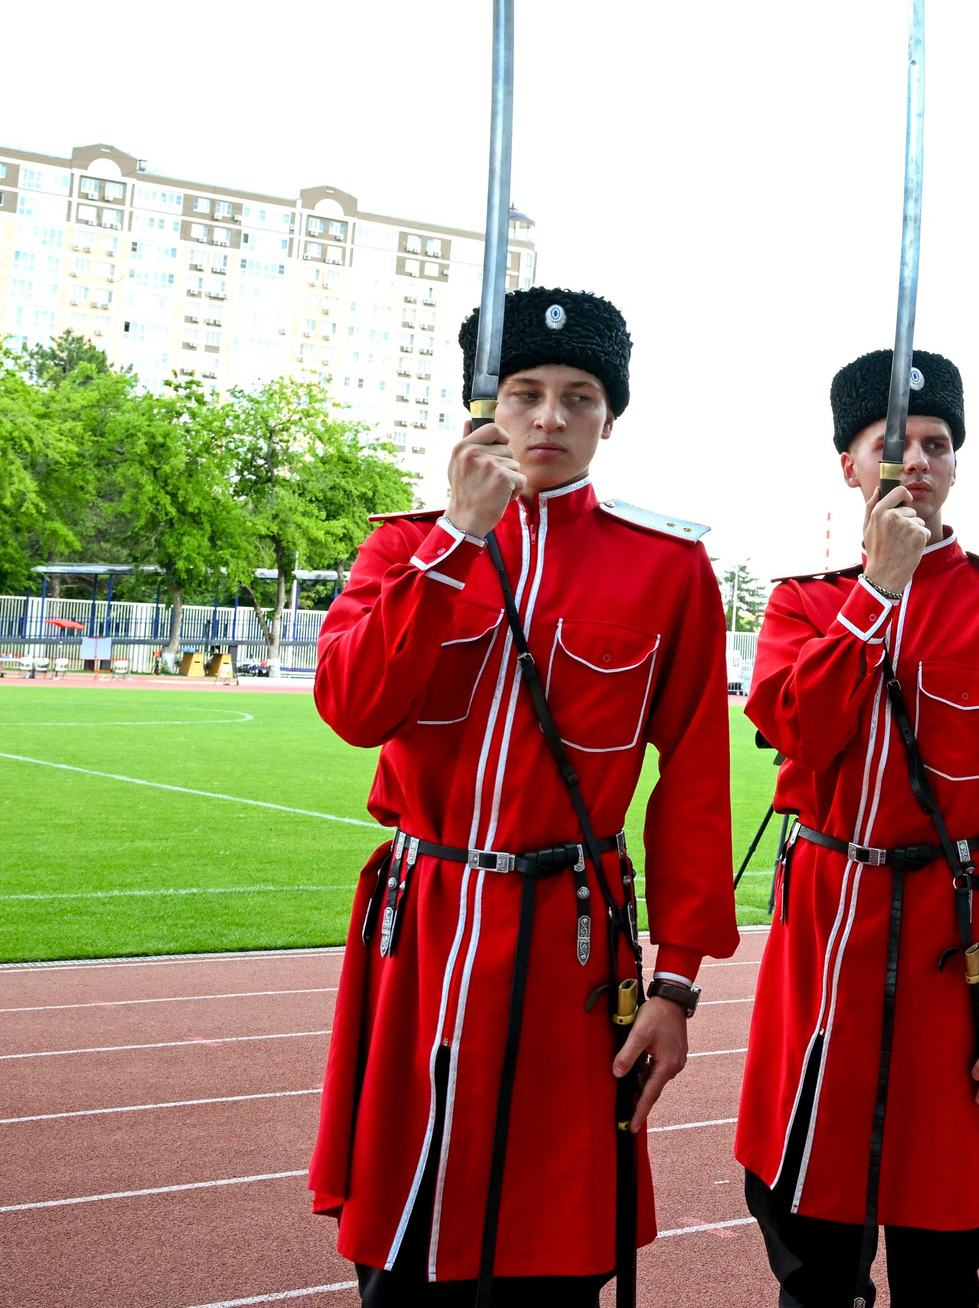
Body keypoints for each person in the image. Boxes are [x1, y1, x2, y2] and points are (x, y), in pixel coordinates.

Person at [309, 288, 739, 1305]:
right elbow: (355, 706)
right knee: (403, 1251)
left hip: (570, 948)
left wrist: (676, 984)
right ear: (484, 407)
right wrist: (457, 538)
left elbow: (696, 789)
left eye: (578, 398)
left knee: (552, 1257)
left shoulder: (667, 568)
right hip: (425, 935)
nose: (548, 419)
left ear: (608, 417)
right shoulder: (403, 548)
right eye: (525, 393)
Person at [734, 349, 979, 1308]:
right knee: (808, 1236)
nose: (918, 464)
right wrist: (876, 599)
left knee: (943, 1251)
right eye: (892, 445)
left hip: (956, 951)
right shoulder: (804, 603)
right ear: (848, 465)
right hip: (824, 946)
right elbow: (798, 729)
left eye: (937, 445)